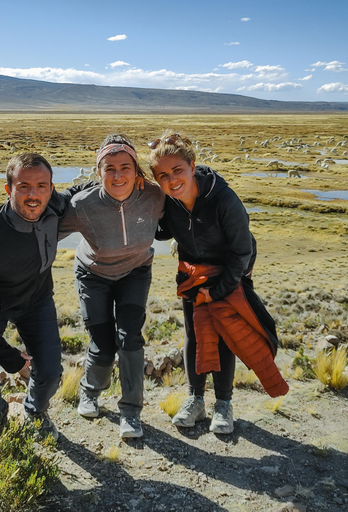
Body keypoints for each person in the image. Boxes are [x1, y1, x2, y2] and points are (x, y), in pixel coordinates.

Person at [148, 133, 285, 435]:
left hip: (229, 275)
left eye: (177, 171)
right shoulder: (170, 202)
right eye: (163, 176)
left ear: (192, 166)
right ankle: (195, 400)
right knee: (194, 335)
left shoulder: (223, 199)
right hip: (192, 276)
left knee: (225, 336)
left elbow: (242, 250)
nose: (172, 180)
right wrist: (145, 205)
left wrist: (220, 289)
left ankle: (223, 404)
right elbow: (162, 232)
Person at [59, 134, 165, 439]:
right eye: (109, 168)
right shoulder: (83, 204)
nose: (118, 175)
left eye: (125, 167)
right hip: (93, 275)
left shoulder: (155, 197)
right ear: (98, 171)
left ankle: (131, 412)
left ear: (136, 170)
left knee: (130, 338)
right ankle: (90, 392)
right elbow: (44, 231)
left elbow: (192, 214)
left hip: (135, 272)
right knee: (103, 344)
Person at [0, 152, 68, 440]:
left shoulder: (55, 205)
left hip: (37, 301)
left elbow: (89, 191)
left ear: (51, 189)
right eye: (24, 187)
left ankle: (34, 411)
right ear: (8, 190)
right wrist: (9, 358)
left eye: (42, 186)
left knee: (51, 371)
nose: (34, 195)